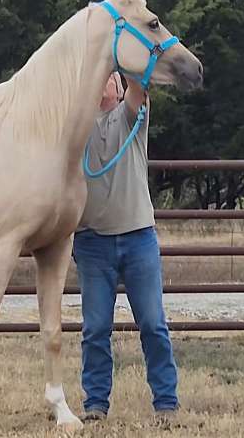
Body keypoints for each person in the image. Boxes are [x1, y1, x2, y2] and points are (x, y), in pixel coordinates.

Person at [73, 72, 179, 421]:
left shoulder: (130, 115)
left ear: (119, 89)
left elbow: (138, 86)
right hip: (91, 240)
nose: (103, 80)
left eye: (110, 76)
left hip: (137, 236)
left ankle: (166, 402)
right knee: (95, 328)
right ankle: (95, 404)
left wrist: (123, 52)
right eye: (98, 75)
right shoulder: (76, 124)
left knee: (152, 323)